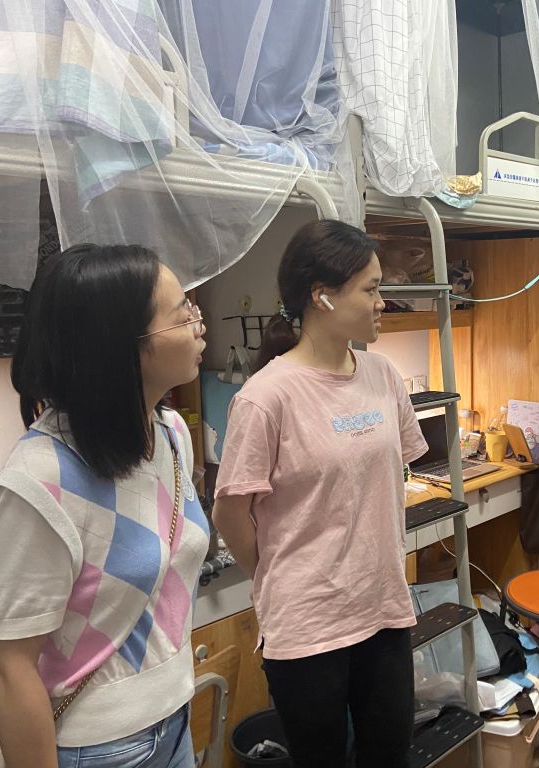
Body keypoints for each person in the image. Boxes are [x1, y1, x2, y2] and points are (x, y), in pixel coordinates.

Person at [0, 244, 209, 768]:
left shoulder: (171, 433)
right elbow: (9, 670)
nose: (200, 324)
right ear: (124, 345)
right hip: (99, 749)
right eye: (182, 314)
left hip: (175, 719)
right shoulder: (38, 482)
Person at [212, 219, 427, 768]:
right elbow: (230, 513)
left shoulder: (382, 375)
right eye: (371, 289)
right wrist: (280, 573)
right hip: (307, 624)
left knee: (390, 756)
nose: (382, 302)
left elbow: (391, 475)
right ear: (322, 296)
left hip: (382, 608)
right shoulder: (266, 398)